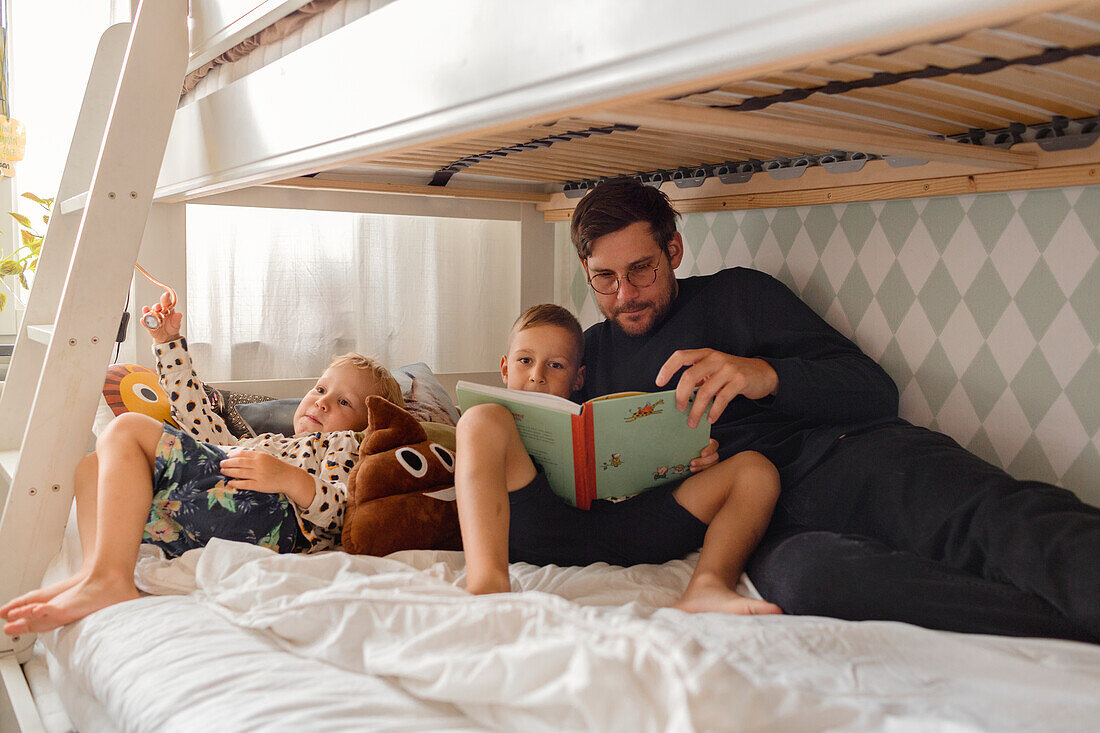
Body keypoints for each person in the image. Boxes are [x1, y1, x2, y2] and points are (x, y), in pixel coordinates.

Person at [568, 176, 1100, 642]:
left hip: (851, 459)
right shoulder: (584, 359)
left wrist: (766, 375)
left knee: (998, 524)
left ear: (674, 251)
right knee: (815, 584)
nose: (625, 294)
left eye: (642, 270)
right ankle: (1070, 628)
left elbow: (874, 390)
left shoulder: (738, 294)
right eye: (604, 278)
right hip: (767, 526)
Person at [1, 294, 403, 635]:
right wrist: (169, 342)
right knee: (90, 467)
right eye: (319, 389)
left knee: (127, 428)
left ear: (366, 427)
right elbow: (202, 426)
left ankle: (110, 579)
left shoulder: (345, 444)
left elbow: (342, 513)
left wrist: (288, 477)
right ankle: (94, 571)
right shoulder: (269, 441)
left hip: (276, 517)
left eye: (343, 402)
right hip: (222, 499)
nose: (322, 401)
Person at [454, 303, 783, 615]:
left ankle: (708, 585)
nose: (537, 375)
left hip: (629, 525)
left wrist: (693, 458)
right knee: (480, 418)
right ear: (504, 367)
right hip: (540, 527)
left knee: (754, 469)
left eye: (556, 365)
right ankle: (487, 582)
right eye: (525, 360)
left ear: (578, 378)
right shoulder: (498, 423)